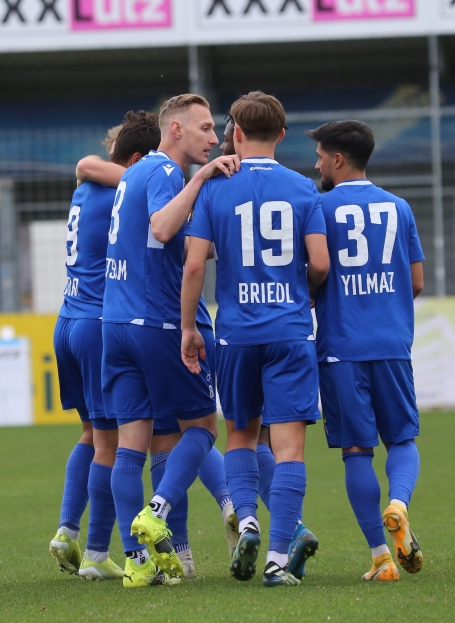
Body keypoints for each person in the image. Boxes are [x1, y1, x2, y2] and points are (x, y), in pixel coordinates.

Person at [76, 116, 239, 578]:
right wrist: (202, 178)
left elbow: (164, 240)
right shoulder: (168, 172)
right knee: (202, 429)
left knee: (130, 447)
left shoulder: (135, 174)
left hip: (115, 323)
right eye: (205, 128)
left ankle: (138, 563)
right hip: (158, 320)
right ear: (176, 129)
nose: (213, 138)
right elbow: (165, 229)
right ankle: (170, 511)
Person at [181, 92, 329, 587]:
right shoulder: (303, 188)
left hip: (236, 334)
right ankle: (278, 560)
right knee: (289, 449)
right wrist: (301, 291)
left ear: (237, 133)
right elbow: (321, 263)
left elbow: (195, 265)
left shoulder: (215, 188)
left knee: (241, 436)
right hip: (289, 331)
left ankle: (246, 520)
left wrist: (188, 327)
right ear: (282, 135)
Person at [309, 120, 425, 583]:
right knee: (402, 439)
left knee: (356, 451)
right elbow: (416, 282)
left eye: (321, 156)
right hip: (391, 343)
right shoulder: (400, 207)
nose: (317, 164)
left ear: (338, 160)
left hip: (341, 347)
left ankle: (381, 558)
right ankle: (398, 504)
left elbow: (315, 270)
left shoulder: (319, 207)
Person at [49, 111, 159, 582]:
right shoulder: (127, 190)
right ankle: (96, 553)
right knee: (111, 443)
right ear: (138, 161)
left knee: (92, 434)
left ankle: (66, 530)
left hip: (68, 319)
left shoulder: (88, 183)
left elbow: (86, 164)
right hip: (97, 325)